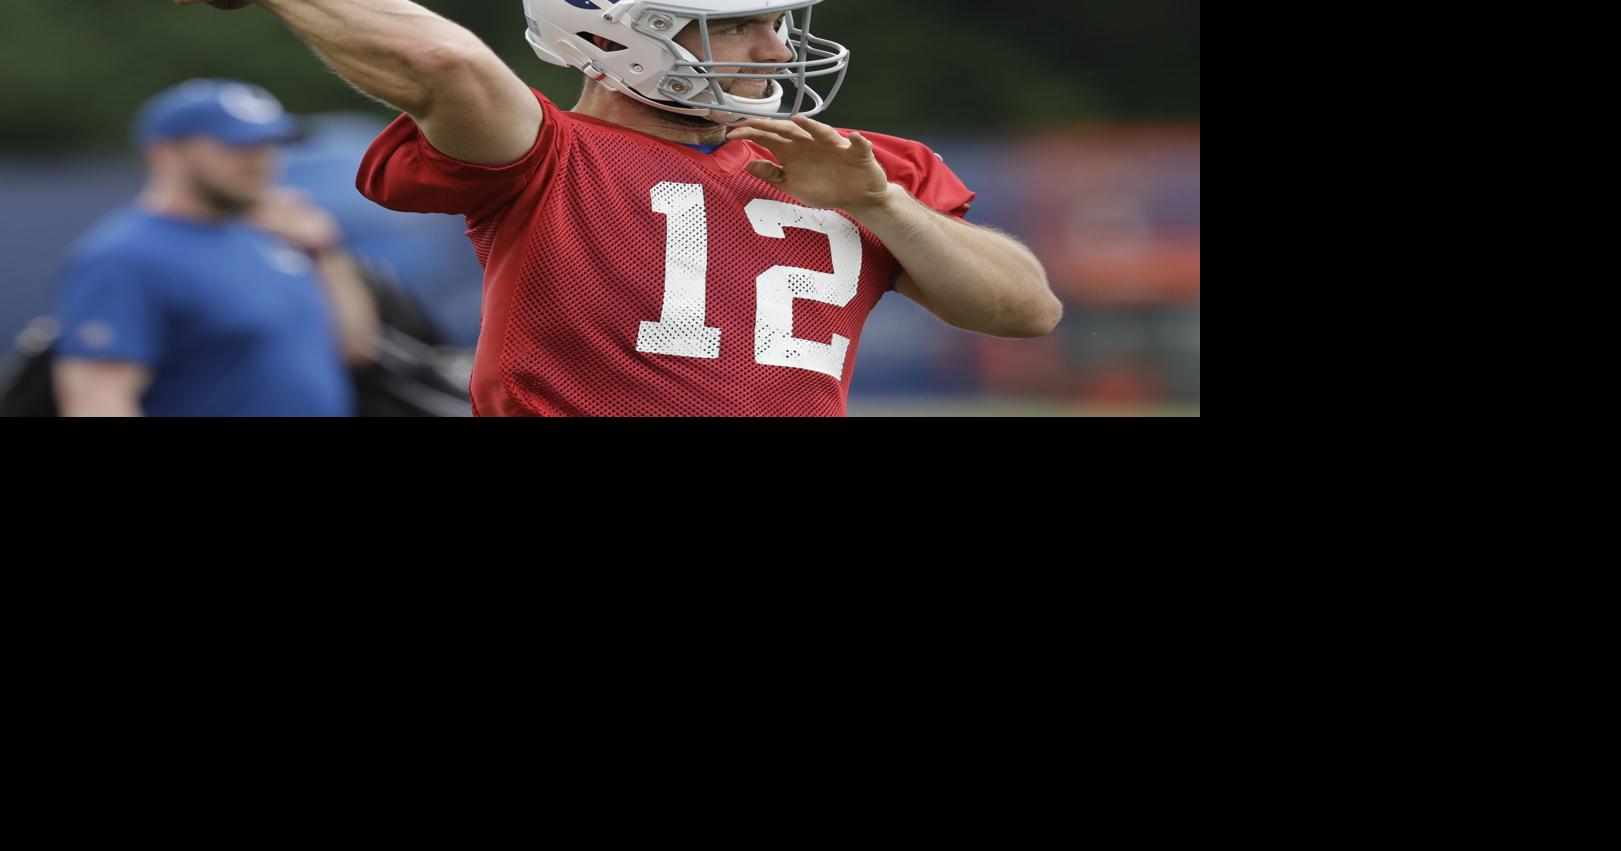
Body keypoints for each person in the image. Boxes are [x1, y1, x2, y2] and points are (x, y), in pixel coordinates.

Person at [179, 0, 1062, 417]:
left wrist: (882, 206)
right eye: (741, 24)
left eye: (778, 18)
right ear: (623, 35)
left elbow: (1026, 306)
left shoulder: (853, 166)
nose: (778, 45)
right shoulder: (551, 156)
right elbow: (449, 66)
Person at [52, 79, 381, 417]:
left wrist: (324, 249)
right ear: (166, 153)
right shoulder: (125, 256)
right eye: (237, 146)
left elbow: (355, 346)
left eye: (270, 145)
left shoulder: (271, 238)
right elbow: (97, 400)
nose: (261, 161)